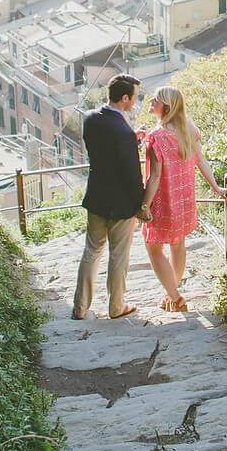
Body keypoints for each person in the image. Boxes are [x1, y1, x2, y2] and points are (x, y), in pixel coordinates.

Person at [138, 86, 219, 313]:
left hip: (163, 202)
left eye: (156, 98)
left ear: (166, 106)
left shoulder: (157, 137)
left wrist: (144, 205)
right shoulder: (188, 128)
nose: (151, 100)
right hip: (184, 203)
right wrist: (217, 188)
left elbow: (154, 177)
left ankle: (175, 296)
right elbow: (201, 160)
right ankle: (171, 294)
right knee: (177, 244)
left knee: (153, 249)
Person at [72, 73, 144, 320]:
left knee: (91, 251)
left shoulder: (90, 119)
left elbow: (104, 148)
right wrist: (142, 204)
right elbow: (132, 174)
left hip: (97, 195)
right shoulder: (123, 133)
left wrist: (131, 138)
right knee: (118, 255)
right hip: (121, 203)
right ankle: (116, 306)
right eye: (134, 97)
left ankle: (80, 308)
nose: (135, 102)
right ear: (125, 98)